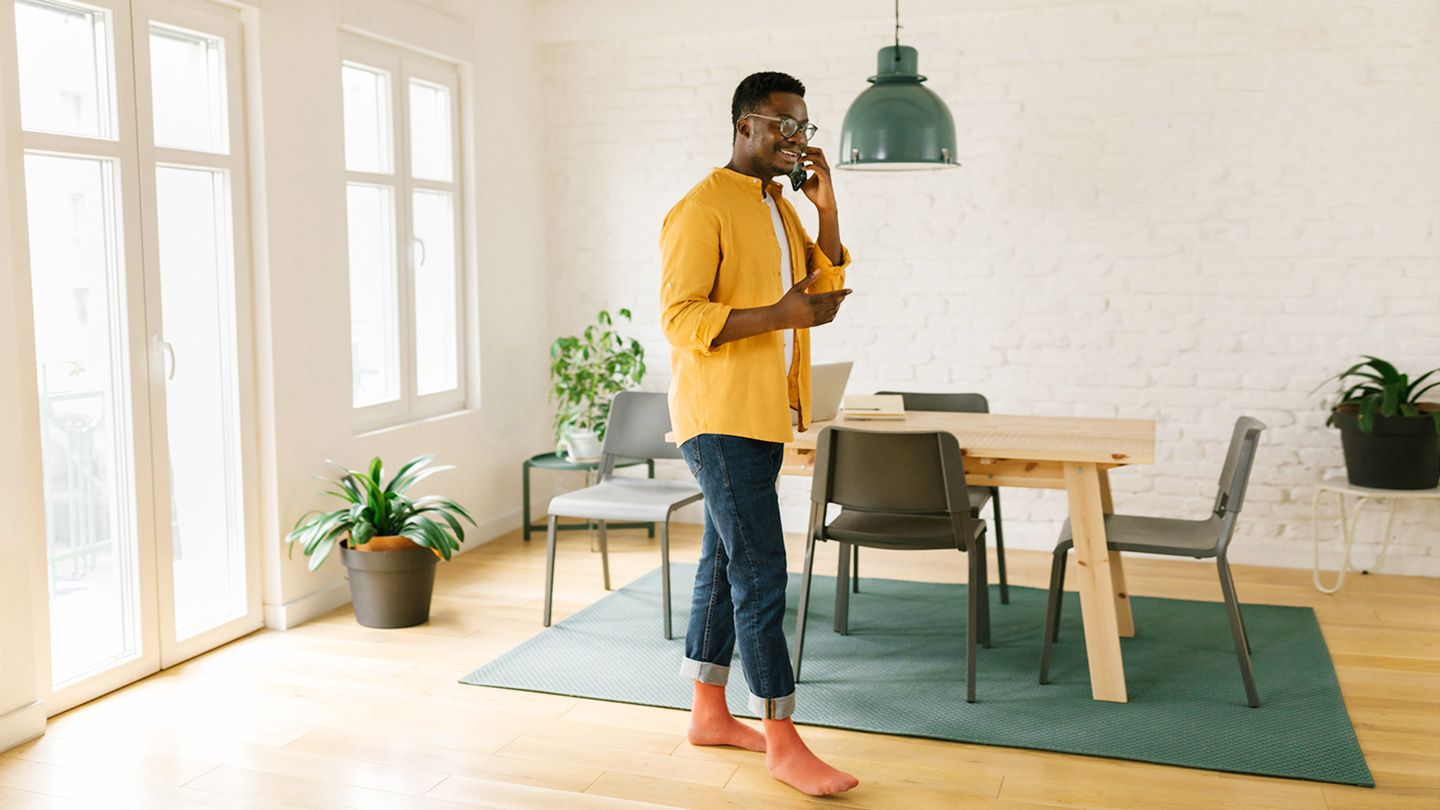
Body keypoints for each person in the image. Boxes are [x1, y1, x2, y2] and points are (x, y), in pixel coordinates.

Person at [658, 71, 857, 797]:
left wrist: (826, 201)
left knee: (722, 562)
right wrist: (779, 315)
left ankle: (708, 714)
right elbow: (680, 319)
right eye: (783, 127)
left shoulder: (777, 205)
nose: (795, 140)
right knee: (760, 571)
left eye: (803, 128)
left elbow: (825, 288)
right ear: (745, 126)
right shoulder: (700, 208)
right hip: (718, 418)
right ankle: (782, 738)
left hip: (763, 412)